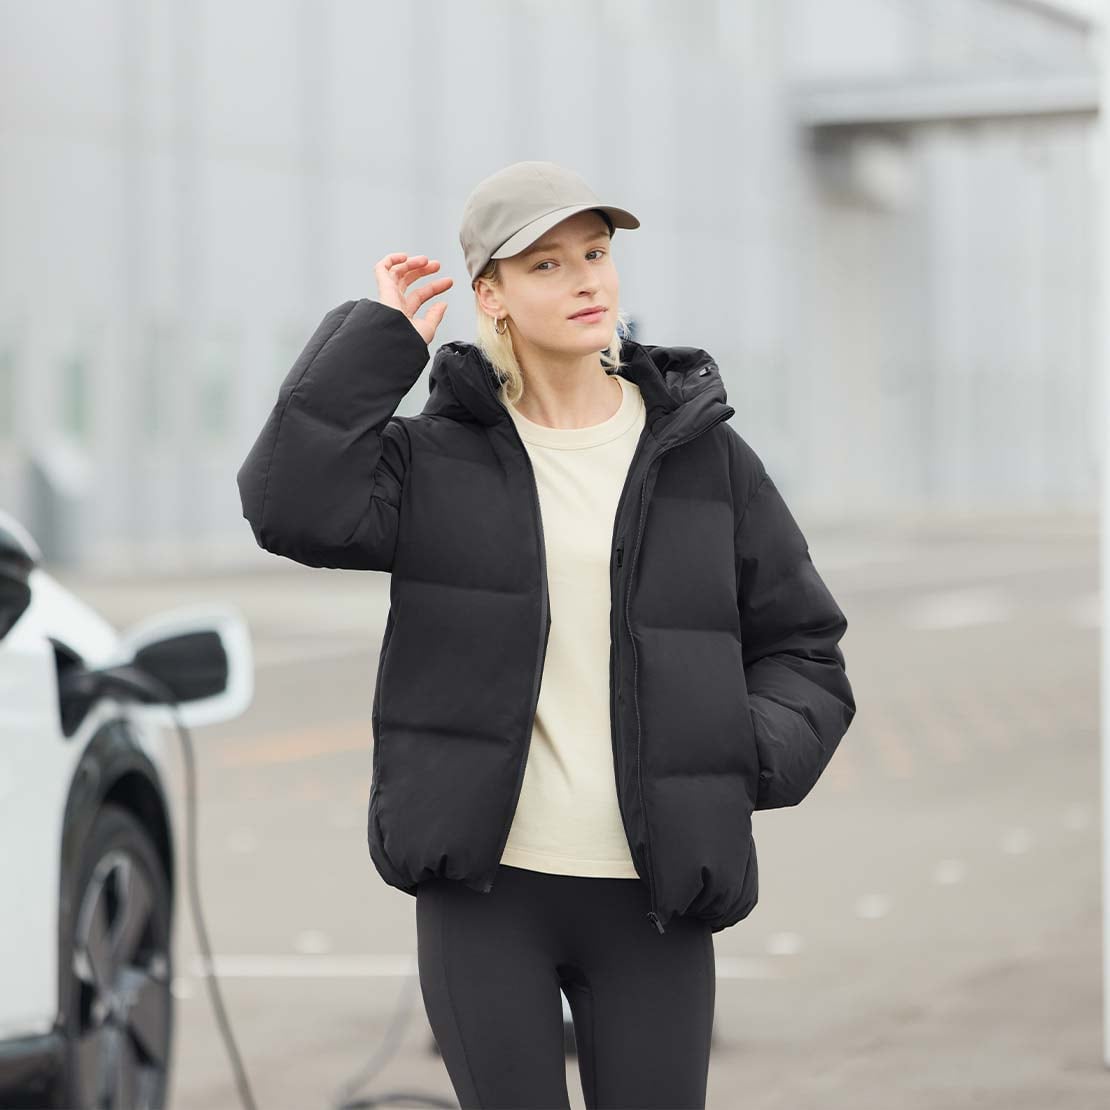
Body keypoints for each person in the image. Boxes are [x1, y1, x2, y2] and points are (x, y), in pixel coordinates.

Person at [237, 160, 855, 1109]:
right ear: (491, 294)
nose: (586, 281)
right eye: (548, 264)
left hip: (655, 895)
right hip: (489, 897)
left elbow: (806, 648)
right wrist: (379, 343)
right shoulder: (435, 460)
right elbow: (289, 505)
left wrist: (739, 753)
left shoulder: (703, 456)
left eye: (598, 254)